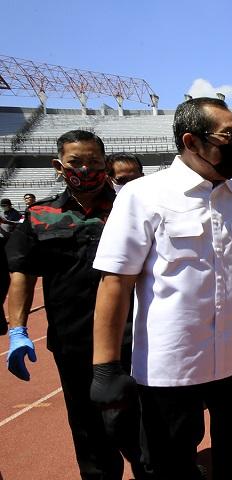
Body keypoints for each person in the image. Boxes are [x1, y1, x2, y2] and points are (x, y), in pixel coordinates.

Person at [91, 98, 232, 480]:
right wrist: (105, 367)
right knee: (170, 466)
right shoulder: (142, 196)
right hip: (171, 367)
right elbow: (115, 280)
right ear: (191, 141)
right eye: (228, 135)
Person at [5, 130, 148, 479]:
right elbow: (22, 274)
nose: (86, 169)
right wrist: (18, 330)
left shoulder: (131, 210)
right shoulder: (38, 217)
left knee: (143, 430)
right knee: (89, 434)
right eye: (76, 163)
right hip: (73, 343)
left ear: (106, 163)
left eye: (94, 162)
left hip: (136, 339)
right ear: (58, 166)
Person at [0, 198, 22, 335]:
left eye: (5, 205)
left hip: (10, 243)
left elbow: (21, 224)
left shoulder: (16, 214)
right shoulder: (1, 214)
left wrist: (7, 222)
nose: (3, 207)